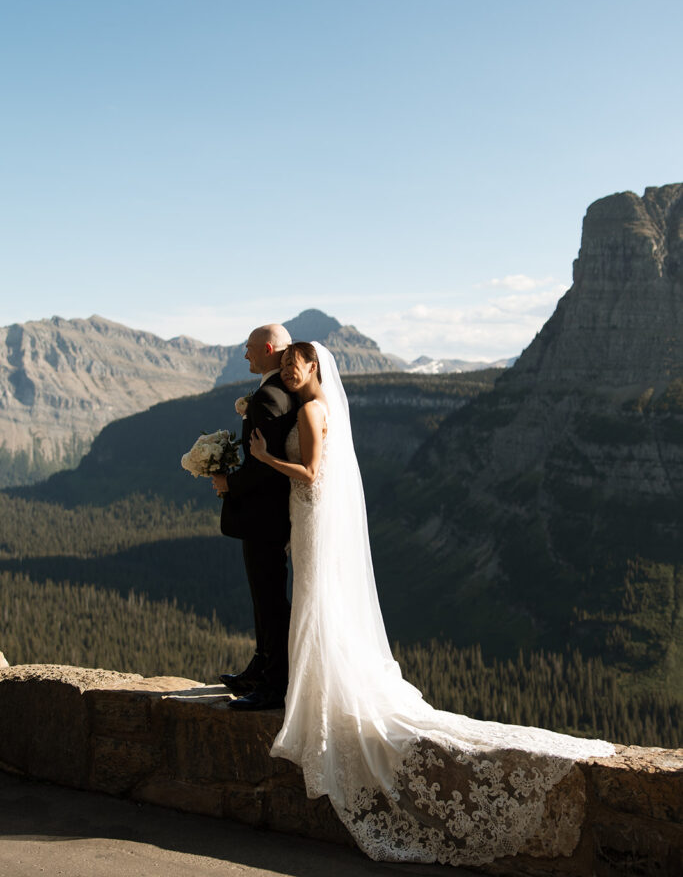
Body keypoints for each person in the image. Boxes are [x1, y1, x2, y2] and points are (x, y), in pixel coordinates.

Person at [248, 340, 616, 868]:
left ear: (313, 369)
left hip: (309, 509)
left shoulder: (309, 408)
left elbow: (311, 474)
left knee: (314, 605)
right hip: (309, 520)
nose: (286, 370)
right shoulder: (322, 404)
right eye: (282, 364)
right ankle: (318, 689)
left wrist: (265, 458)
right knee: (318, 604)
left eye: (293, 364)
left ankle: (319, 697)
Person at [211, 323, 298, 711]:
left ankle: (274, 687)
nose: (245, 354)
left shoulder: (267, 397)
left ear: (267, 349)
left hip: (264, 516)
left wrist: (228, 483)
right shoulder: (285, 391)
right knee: (267, 598)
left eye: (248, 348)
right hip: (276, 514)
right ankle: (260, 669)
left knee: (269, 601)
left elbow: (264, 467)